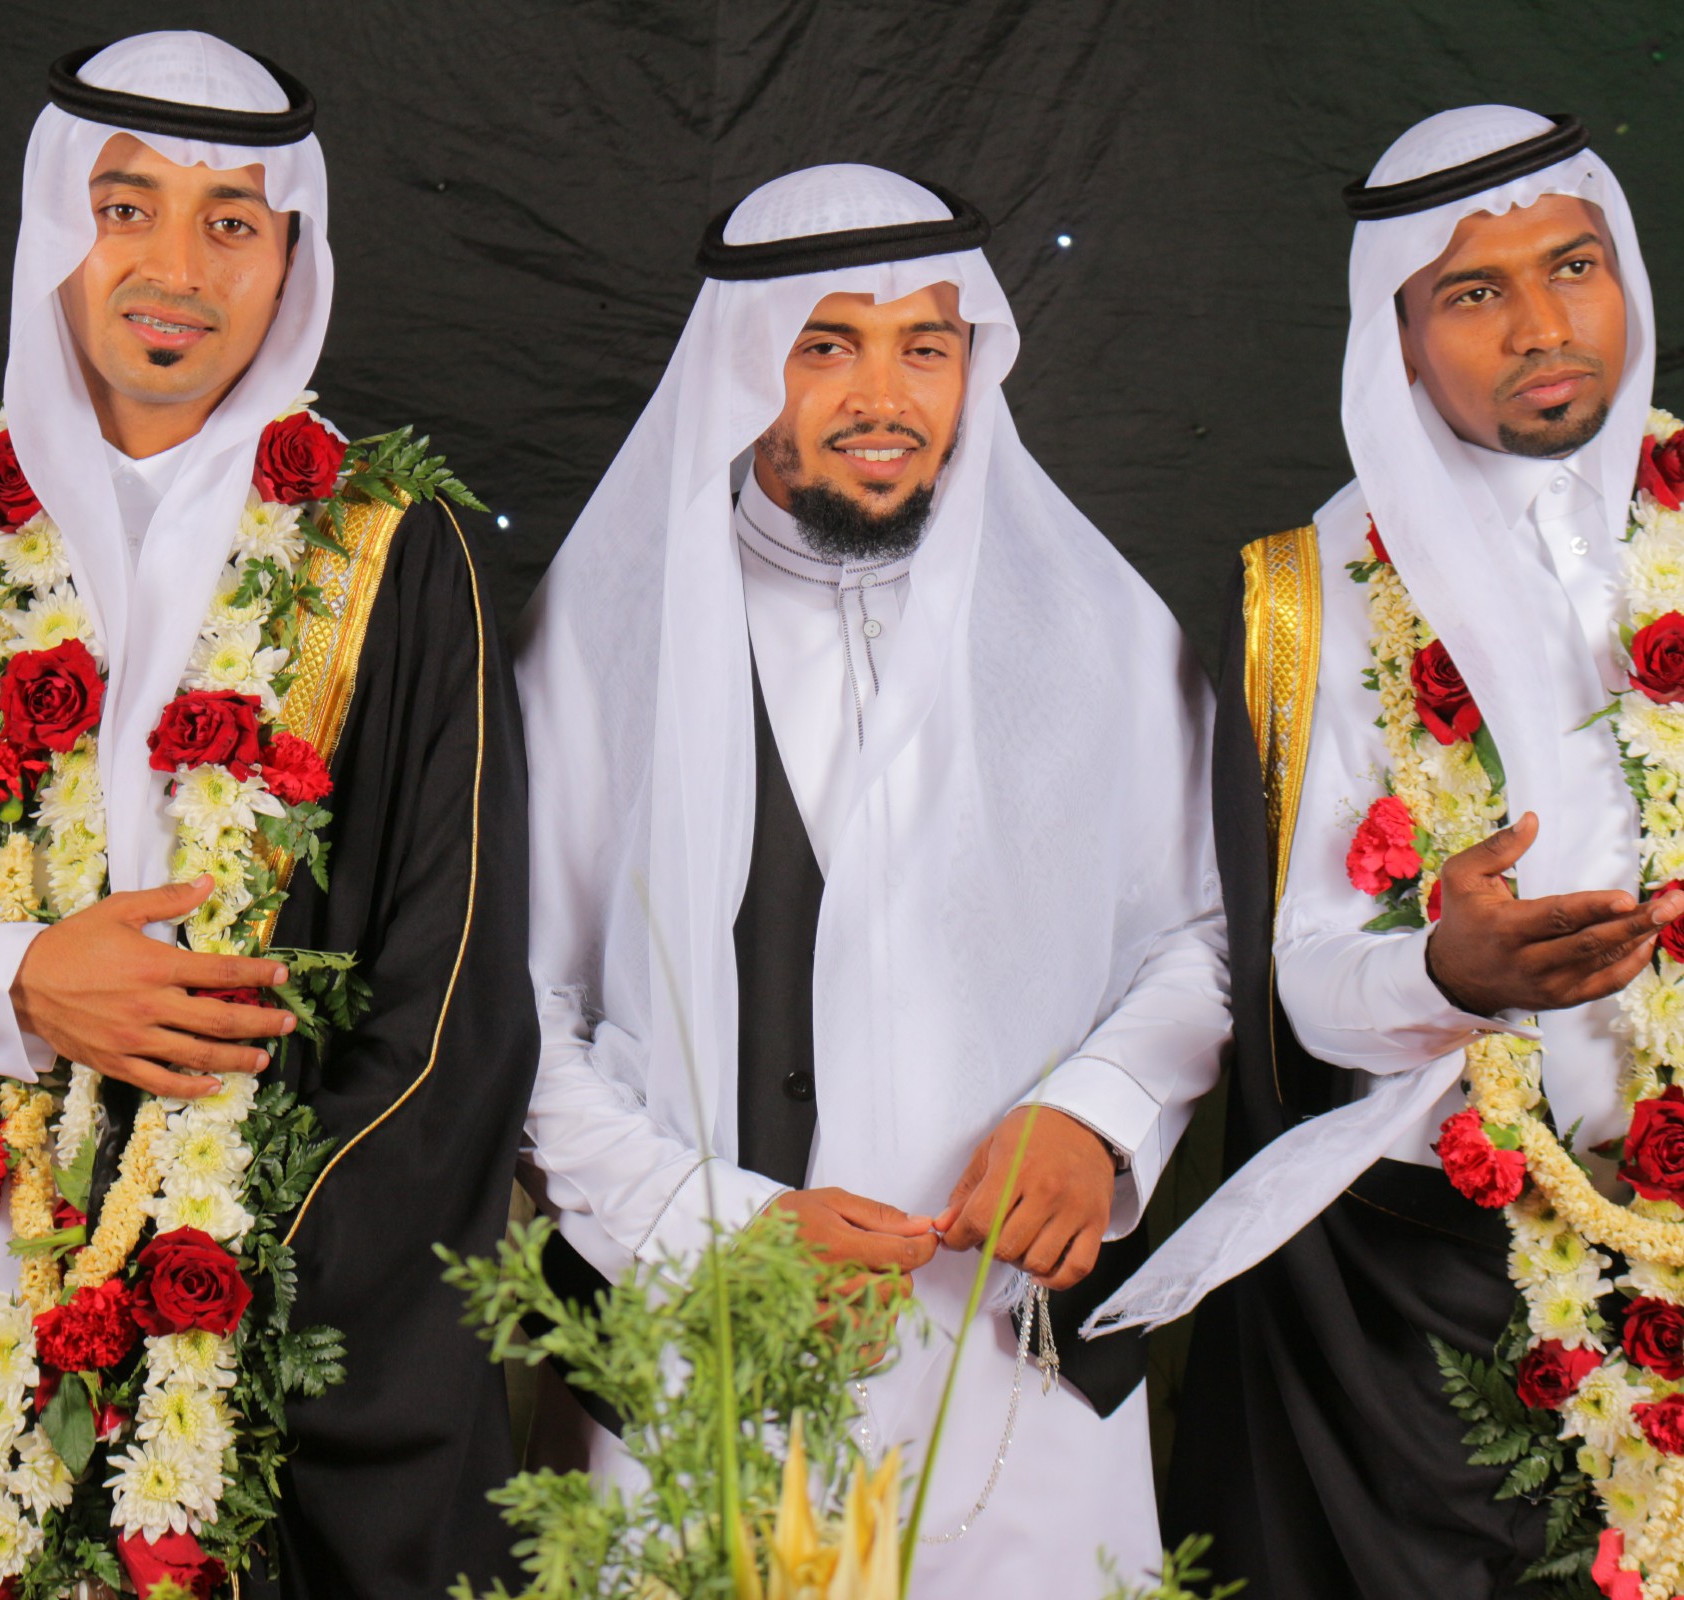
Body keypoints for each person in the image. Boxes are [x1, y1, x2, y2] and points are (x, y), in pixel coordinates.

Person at [1092, 106, 1684, 1599]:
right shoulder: (1309, 598)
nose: (1543, 326)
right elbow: (1294, 989)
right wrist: (1444, 972)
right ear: (1399, 337)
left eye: (1574, 267)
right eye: (1475, 292)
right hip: (1433, 1319)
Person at [0, 32, 535, 1598]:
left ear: (291, 257)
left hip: (257, 1329)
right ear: (54, 226)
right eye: (126, 206)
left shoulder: (396, 561)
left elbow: (450, 1014)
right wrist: (14, 985)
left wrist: (237, 1279)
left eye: (231, 221)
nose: (176, 269)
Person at [515, 163, 1229, 1596]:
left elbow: (1202, 937)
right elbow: (514, 1018)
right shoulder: (596, 643)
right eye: (827, 345)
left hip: (1031, 1393)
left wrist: (1095, 1113)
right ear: (741, 365)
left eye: (926, 347)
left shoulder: (1097, 626)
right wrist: (716, 1230)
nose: (884, 398)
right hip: (701, 1360)